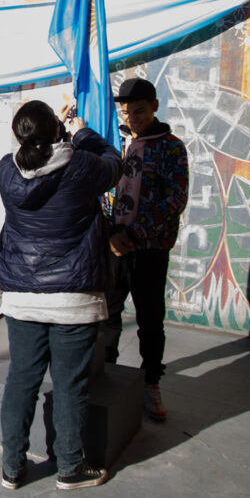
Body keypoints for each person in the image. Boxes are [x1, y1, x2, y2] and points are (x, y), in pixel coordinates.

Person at [0, 99, 121, 491]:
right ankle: (69, 467)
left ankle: (12, 469)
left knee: (21, 380)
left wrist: (41, 127)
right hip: (73, 297)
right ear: (57, 132)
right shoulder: (81, 165)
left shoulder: (4, 170)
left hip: (22, 295)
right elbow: (115, 162)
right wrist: (80, 131)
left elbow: (29, 153)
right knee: (70, 385)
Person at [102, 77, 189, 421]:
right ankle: (103, 371)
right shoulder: (118, 144)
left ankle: (151, 382)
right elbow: (105, 192)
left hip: (150, 248)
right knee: (107, 311)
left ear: (154, 106)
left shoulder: (171, 147)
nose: (133, 118)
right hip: (114, 244)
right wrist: (110, 233)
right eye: (127, 112)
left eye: (139, 110)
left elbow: (174, 199)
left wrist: (134, 235)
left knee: (150, 319)